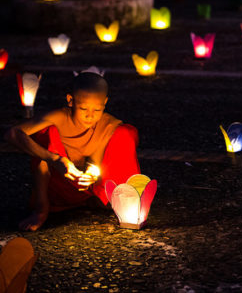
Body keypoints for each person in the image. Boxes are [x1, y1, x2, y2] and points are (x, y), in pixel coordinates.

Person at [4, 72, 140, 231]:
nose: (90, 116)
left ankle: (117, 199)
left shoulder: (107, 124)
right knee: (46, 134)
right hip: (56, 185)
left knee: (124, 133)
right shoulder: (59, 118)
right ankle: (41, 209)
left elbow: (96, 163)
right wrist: (53, 159)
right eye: (83, 108)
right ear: (70, 100)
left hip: (86, 189)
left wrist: (90, 174)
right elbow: (12, 134)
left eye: (97, 109)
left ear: (105, 103)